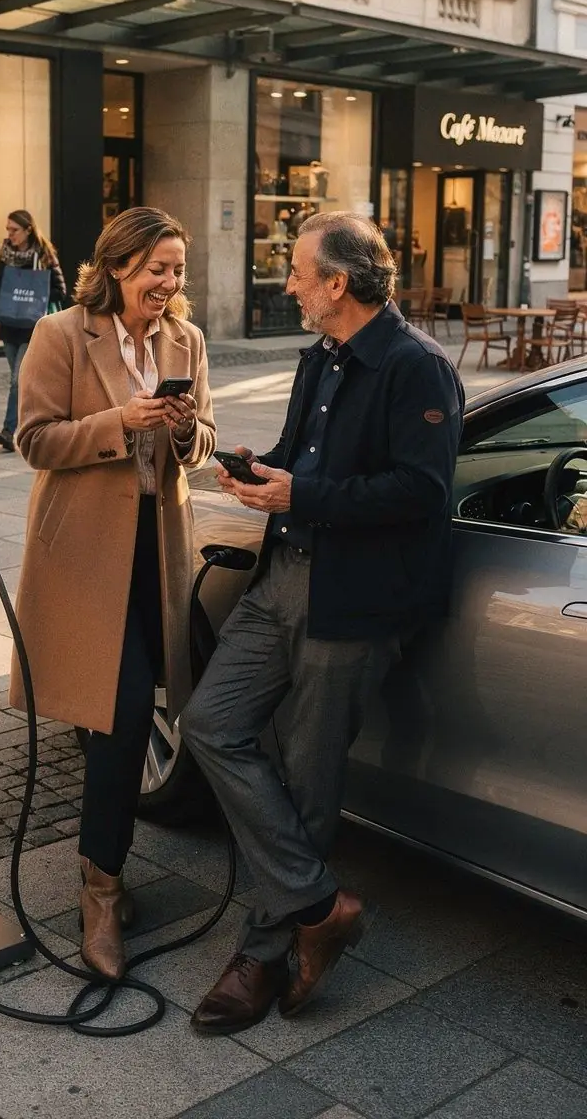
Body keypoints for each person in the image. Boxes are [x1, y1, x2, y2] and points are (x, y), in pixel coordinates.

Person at [182, 211, 463, 1035]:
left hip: (358, 601)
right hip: (286, 581)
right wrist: (269, 474)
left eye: (300, 273)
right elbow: (307, 460)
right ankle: (318, 905)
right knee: (209, 721)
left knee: (309, 780)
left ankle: (261, 955)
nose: (291, 286)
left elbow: (422, 491)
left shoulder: (418, 368)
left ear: (338, 283)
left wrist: (301, 494)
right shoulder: (321, 359)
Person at [12, 207, 215, 980]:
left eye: (178, 270)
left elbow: (199, 444)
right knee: (124, 713)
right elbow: (34, 440)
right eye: (158, 268)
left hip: (154, 552)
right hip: (85, 558)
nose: (169, 283)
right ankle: (101, 891)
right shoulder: (62, 334)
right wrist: (118, 421)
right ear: (120, 265)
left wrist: (185, 424)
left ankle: (103, 873)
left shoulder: (185, 343)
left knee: (138, 712)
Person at [0, 211, 67, 452]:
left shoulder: (44, 254)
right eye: (8, 229)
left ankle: (8, 430)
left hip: (31, 326)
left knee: (17, 380)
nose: (9, 234)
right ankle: (35, 424)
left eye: (14, 230)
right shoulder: (6, 253)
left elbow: (60, 289)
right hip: (10, 325)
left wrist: (38, 291)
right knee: (21, 380)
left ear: (28, 230)